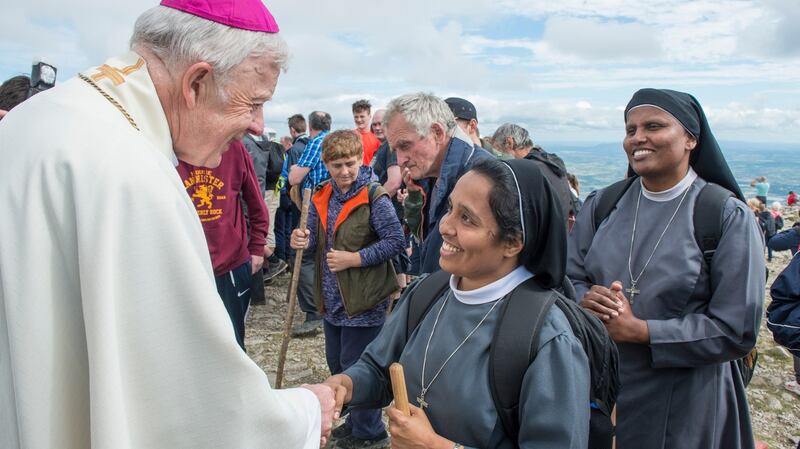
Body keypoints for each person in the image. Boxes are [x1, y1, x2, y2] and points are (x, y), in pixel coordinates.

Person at [0, 2, 339, 448]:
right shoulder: (133, 172)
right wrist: (304, 413)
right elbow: (188, 402)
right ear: (196, 82)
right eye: (254, 102)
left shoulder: (39, 116)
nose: (258, 125)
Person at [323, 158, 590, 449]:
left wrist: (434, 446)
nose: (445, 227)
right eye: (450, 208)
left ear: (513, 243)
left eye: (467, 219)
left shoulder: (549, 339)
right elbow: (378, 368)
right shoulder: (428, 291)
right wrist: (342, 387)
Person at [567, 88, 764, 449]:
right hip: (602, 388)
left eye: (653, 126)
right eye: (630, 129)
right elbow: (569, 278)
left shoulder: (724, 216)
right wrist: (584, 301)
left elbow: (737, 330)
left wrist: (642, 331)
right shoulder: (603, 206)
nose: (638, 138)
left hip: (689, 402)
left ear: (691, 138)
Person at [290, 130, 405, 449]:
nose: (344, 171)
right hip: (331, 299)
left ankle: (371, 433)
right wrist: (302, 238)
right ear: (325, 164)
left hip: (364, 300)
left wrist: (356, 258)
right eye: (337, 165)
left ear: (361, 161)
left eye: (351, 164)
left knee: (360, 369)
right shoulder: (321, 194)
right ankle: (355, 423)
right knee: (338, 365)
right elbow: (314, 237)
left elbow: (395, 241)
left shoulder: (374, 196)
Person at [384, 92, 493, 275]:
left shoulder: (486, 176)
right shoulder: (430, 172)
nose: (400, 160)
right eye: (395, 150)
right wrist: (415, 199)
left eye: (405, 146)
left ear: (437, 133)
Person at [177, 138, 268, 350]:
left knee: (232, 341)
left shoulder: (234, 149)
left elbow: (257, 205)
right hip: (185, 265)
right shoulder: (169, 147)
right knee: (190, 342)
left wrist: (256, 247)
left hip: (230, 265)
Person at [289, 110, 333, 335]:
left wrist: (293, 170)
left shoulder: (317, 142)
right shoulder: (334, 139)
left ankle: (314, 312)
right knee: (323, 254)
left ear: (310, 125)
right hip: (330, 205)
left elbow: (294, 178)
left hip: (316, 205)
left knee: (304, 255)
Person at [491, 123, 577, 226]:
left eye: (498, 152)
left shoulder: (526, 171)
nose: (498, 158)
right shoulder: (550, 163)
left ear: (509, 143)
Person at [352, 99, 381, 165]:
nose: (359, 120)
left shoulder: (378, 137)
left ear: (369, 116)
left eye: (362, 116)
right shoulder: (349, 137)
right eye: (356, 117)